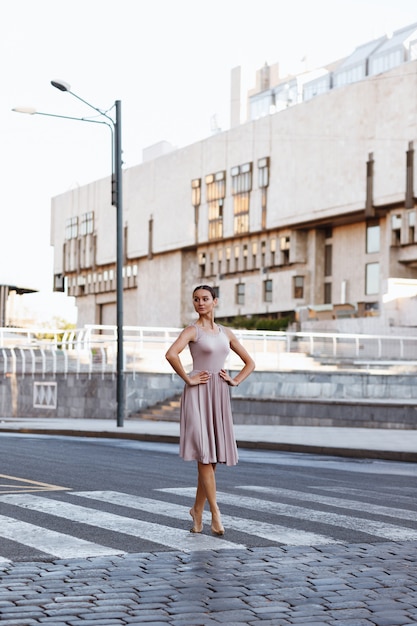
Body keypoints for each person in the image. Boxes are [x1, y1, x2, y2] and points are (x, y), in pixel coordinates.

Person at [165, 284, 255, 536]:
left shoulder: (226, 332)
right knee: (205, 455)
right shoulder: (192, 330)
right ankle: (215, 513)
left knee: (212, 459)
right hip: (198, 393)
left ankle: (196, 510)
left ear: (215, 301)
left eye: (205, 298)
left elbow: (250, 362)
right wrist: (188, 378)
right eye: (196, 299)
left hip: (219, 394)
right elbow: (171, 354)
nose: (200, 303)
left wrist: (235, 380)